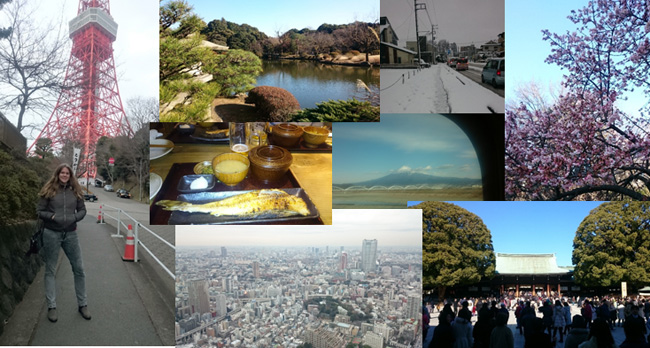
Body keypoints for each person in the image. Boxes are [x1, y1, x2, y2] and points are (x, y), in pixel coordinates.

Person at [37, 163, 90, 323]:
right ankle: (52, 307)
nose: (65, 175)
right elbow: (39, 211)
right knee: (50, 270)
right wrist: (52, 217)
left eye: (67, 173)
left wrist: (73, 218)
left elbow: (83, 210)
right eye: (62, 172)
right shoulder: (49, 189)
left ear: (71, 175)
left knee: (79, 269)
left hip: (71, 234)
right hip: (51, 233)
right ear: (58, 173)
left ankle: (83, 304)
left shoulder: (76, 190)